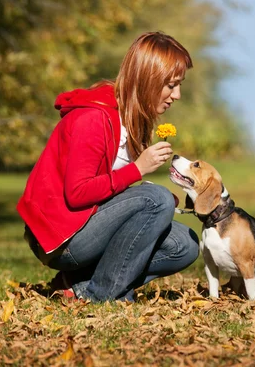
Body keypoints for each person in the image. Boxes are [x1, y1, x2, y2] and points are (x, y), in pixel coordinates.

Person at [17, 31, 199, 303]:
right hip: (62, 237)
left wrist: (139, 198)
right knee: (157, 199)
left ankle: (81, 285)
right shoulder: (94, 119)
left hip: (87, 225)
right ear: (149, 80)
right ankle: (99, 294)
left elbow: (108, 185)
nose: (178, 95)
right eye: (171, 85)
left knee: (185, 245)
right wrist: (138, 172)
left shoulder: (131, 119)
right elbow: (77, 193)